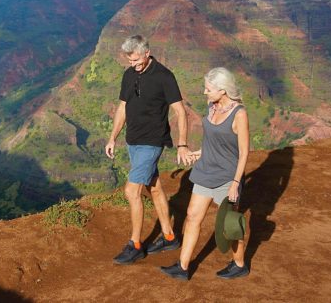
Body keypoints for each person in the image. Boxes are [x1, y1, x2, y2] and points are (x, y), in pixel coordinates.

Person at [105, 35, 189, 265]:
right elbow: (122, 107)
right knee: (154, 188)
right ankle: (170, 236)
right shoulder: (129, 74)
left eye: (136, 60)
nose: (133, 65)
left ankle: (135, 245)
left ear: (147, 52)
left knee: (132, 192)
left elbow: (181, 112)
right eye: (130, 61)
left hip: (152, 142)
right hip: (133, 141)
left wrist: (182, 143)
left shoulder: (164, 76)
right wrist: (113, 137)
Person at [160, 66, 250, 281]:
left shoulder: (239, 114)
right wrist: (198, 153)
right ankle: (182, 267)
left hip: (227, 177)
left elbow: (244, 152)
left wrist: (236, 182)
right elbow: (212, 141)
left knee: (229, 225)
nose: (204, 92)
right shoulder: (211, 107)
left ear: (223, 90)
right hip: (204, 172)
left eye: (208, 89)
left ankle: (239, 264)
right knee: (192, 217)